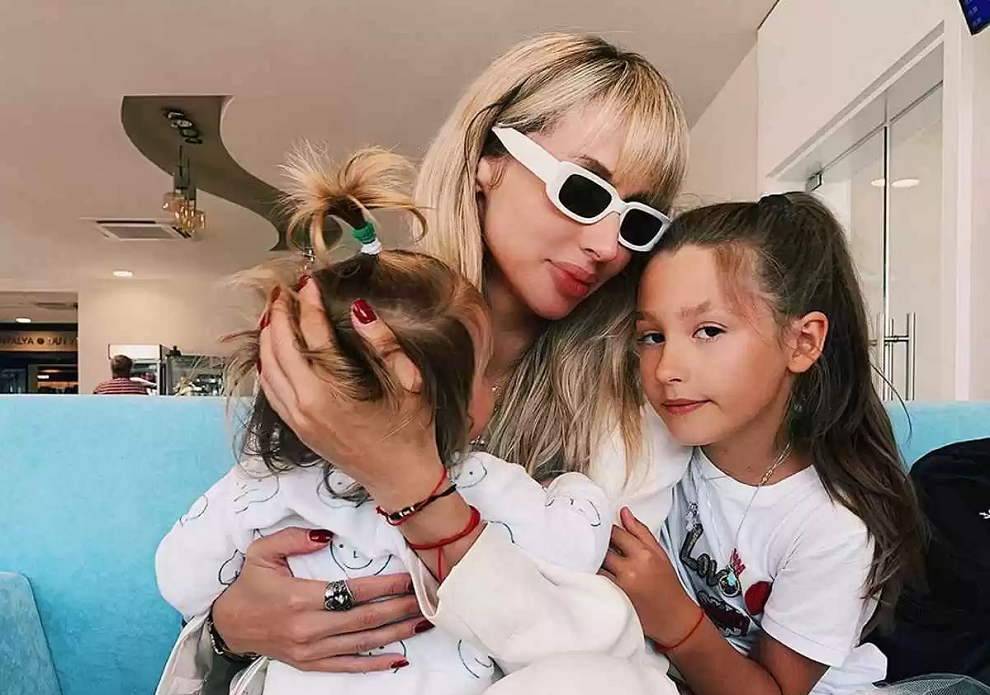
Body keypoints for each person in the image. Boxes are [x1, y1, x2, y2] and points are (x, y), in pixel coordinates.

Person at [179, 31, 692, 692]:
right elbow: (238, 534)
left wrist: (410, 485)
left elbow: (610, 650)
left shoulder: (635, 401)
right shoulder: (358, 330)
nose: (607, 246)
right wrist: (229, 628)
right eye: (585, 193)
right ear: (487, 161)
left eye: (637, 223)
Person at [602, 193, 928, 695]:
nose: (666, 369)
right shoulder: (658, 444)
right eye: (652, 336)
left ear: (802, 342)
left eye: (708, 331)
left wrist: (674, 618)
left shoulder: (831, 527)